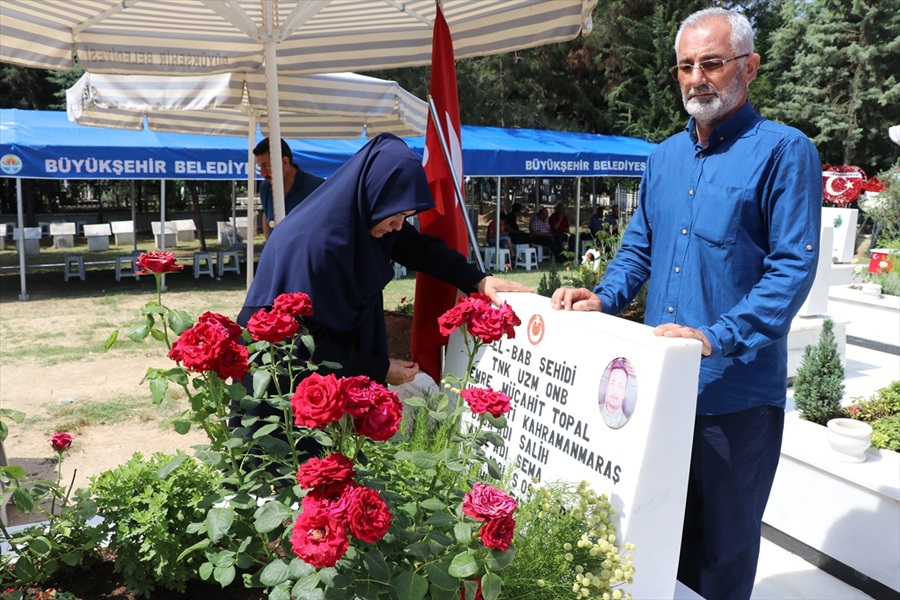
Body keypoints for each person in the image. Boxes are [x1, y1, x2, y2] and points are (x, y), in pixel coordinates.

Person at [551, 8, 821, 600]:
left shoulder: (783, 151)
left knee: (722, 553)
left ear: (748, 68)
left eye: (712, 63)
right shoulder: (663, 158)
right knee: (655, 539)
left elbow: (793, 268)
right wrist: (603, 296)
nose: (697, 77)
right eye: (685, 66)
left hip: (735, 398)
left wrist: (716, 336)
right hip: (658, 393)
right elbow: (636, 252)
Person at [240, 132, 529, 391]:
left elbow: (419, 248)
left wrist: (476, 279)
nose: (399, 226)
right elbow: (304, 346)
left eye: (406, 216)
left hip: (325, 373)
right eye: (396, 216)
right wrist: (378, 368)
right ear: (373, 194)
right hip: (281, 379)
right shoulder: (314, 247)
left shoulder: (369, 217)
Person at [253, 137, 325, 239]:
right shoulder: (265, 188)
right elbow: (267, 217)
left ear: (285, 162)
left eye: (266, 166)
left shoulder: (317, 187)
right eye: (260, 167)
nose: (262, 173)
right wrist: (269, 246)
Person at [599, 358, 631, 429]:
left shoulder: (625, 424)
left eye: (620, 386)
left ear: (624, 393)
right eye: (612, 383)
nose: (615, 390)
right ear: (607, 386)